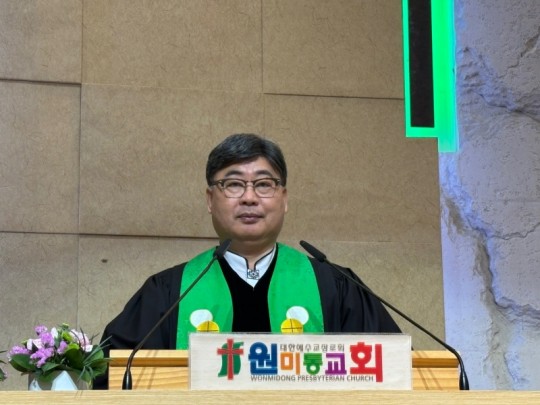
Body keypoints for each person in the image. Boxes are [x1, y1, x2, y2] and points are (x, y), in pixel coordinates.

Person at [94, 133, 400, 389]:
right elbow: (112, 373)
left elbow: (396, 368)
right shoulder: (170, 293)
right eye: (234, 184)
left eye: (264, 184)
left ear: (284, 199)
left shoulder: (334, 286)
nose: (249, 197)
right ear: (210, 200)